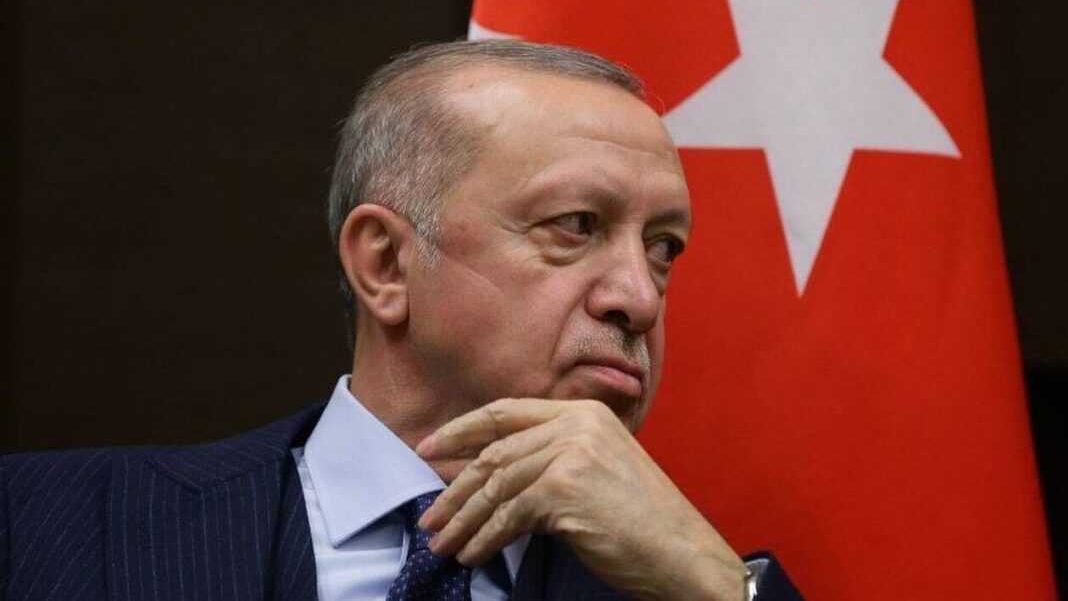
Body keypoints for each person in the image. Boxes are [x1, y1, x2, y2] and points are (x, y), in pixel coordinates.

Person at [0, 40, 802, 601]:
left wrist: (719, 588)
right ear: (385, 264)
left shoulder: (683, 587)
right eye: (576, 225)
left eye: (664, 249)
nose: (641, 297)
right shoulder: (41, 525)